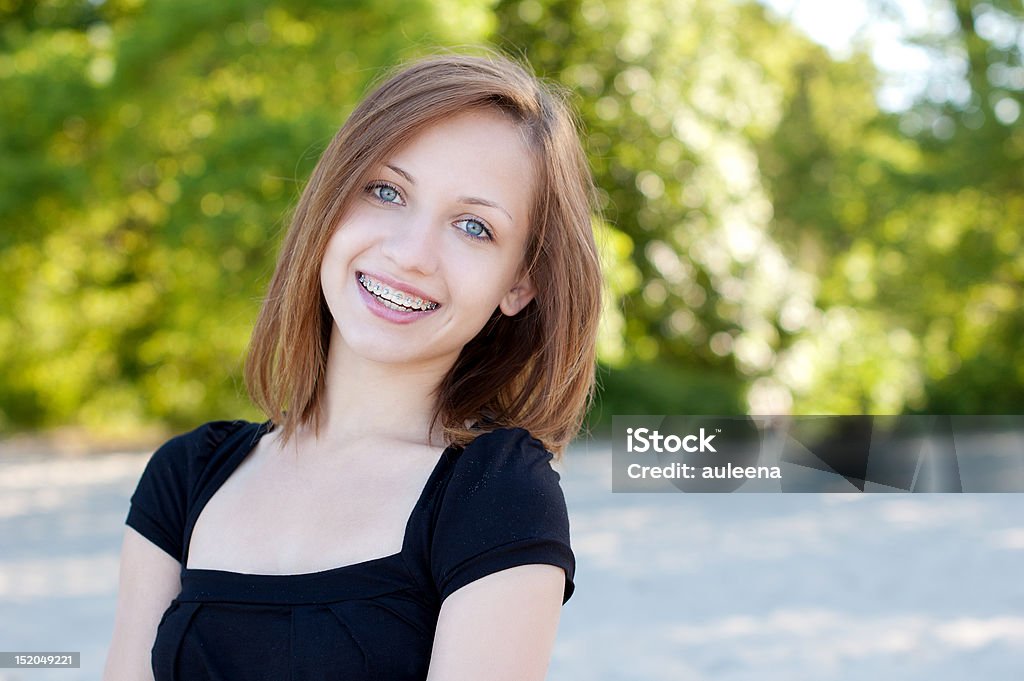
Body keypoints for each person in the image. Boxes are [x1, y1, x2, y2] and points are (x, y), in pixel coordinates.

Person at [102, 47, 602, 681]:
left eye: (473, 227)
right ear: (333, 202)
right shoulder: (185, 478)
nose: (411, 254)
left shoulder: (495, 495)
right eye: (387, 191)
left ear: (520, 284)